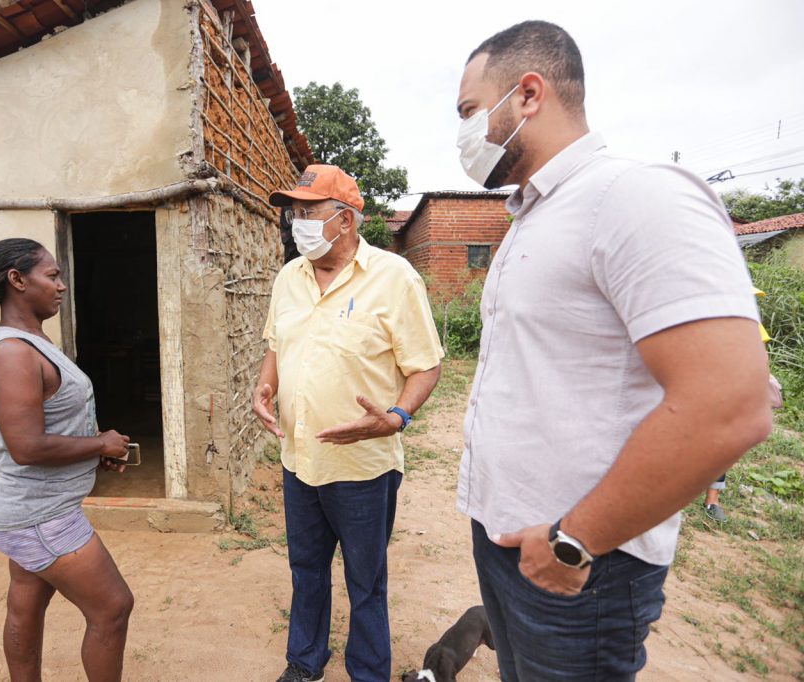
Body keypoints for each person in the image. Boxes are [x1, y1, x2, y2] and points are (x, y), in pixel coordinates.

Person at [452, 21, 772, 680]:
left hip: (581, 570)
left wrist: (572, 541)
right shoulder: (535, 216)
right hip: (508, 543)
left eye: (468, 111)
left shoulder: (633, 196)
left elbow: (729, 406)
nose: (463, 133)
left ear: (528, 95)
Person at [253, 164, 444, 682]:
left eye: (308, 212)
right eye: (294, 213)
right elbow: (277, 344)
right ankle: (304, 662)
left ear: (345, 219)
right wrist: (264, 385)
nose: (298, 223)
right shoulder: (288, 277)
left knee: (366, 580)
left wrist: (398, 417)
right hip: (300, 460)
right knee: (306, 571)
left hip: (364, 466)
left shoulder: (394, 277)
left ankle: (368, 672)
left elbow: (426, 365)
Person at [0, 238, 135, 681]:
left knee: (26, 601)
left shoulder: (33, 341)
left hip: (32, 509)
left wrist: (91, 447)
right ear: (18, 280)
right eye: (53, 276)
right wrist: (98, 446)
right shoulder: (14, 353)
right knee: (113, 608)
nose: (61, 286)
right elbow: (27, 446)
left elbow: (47, 427)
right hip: (38, 514)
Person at [705, 287, 783, 522]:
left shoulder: (753, 326)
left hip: (731, 393)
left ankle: (712, 501)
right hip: (702, 390)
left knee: (722, 446)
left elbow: (762, 360)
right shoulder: (707, 320)